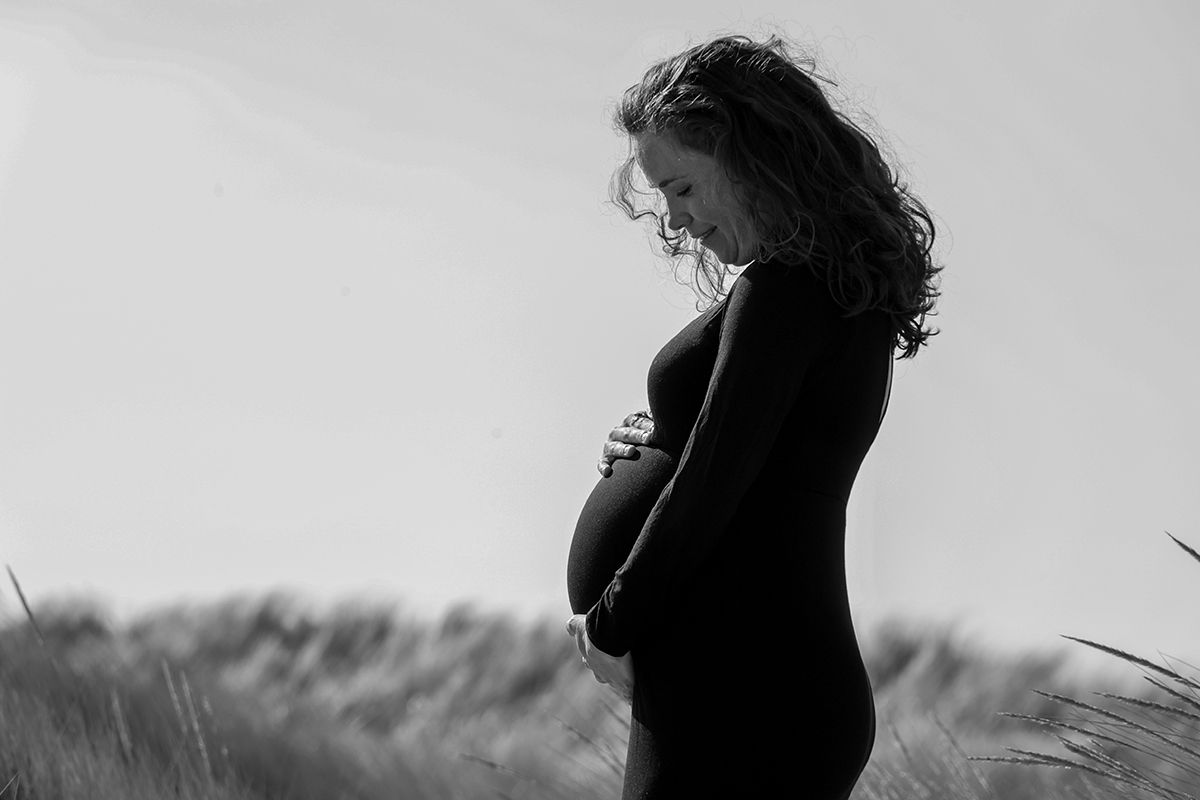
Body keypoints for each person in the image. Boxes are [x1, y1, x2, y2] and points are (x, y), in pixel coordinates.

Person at [565, 34, 940, 799]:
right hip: (759, 685)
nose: (673, 222)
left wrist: (610, 625)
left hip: (746, 694)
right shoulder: (828, 291)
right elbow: (742, 445)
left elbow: (713, 475)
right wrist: (659, 433)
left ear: (747, 158)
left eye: (683, 189)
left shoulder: (785, 292)